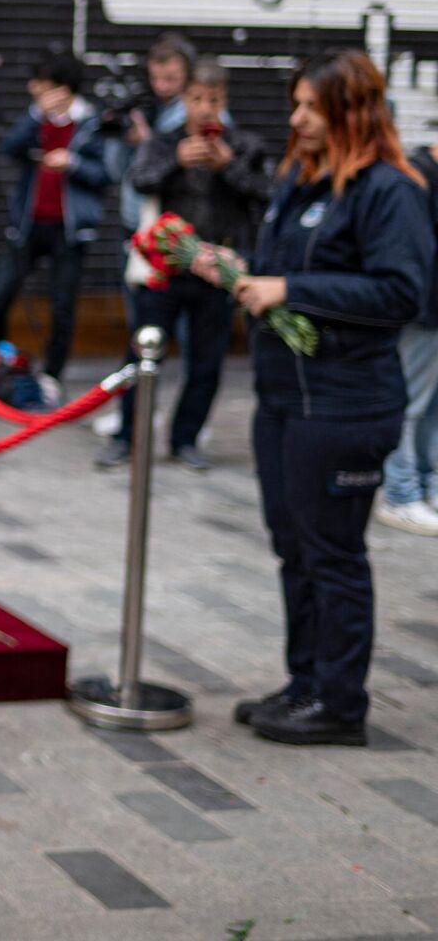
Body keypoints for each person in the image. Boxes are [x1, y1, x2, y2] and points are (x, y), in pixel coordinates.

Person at [218, 50, 433, 747]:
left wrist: (291, 290)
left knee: (334, 555)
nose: (297, 118)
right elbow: (285, 275)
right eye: (296, 104)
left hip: (344, 406)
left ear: (351, 110)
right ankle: (304, 683)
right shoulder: (300, 180)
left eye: (311, 106)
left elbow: (402, 293)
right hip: (284, 400)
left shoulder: (389, 190)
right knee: (295, 548)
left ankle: (341, 706)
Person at [99, 58, 268, 472]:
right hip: (165, 267)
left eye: (213, 99)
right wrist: (176, 159)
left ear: (224, 99)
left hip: (217, 270)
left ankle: (185, 439)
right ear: (184, 99)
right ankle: (126, 436)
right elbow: (139, 180)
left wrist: (228, 166)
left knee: (207, 362)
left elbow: (267, 194)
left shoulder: (245, 145)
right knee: (141, 353)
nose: (205, 108)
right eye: (196, 99)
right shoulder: (163, 141)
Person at [0, 53, 111, 401]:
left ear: (62, 88)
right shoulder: (34, 120)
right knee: (0, 295)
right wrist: (36, 115)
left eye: (41, 84)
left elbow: (105, 174)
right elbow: (9, 148)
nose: (33, 89)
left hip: (69, 230)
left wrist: (74, 163)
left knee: (62, 304)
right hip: (28, 224)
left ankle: (53, 374)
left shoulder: (91, 122)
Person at [374, 141, 438, 535]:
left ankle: (427, 485)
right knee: (410, 404)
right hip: (423, 310)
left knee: (431, 407)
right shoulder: (415, 175)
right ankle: (399, 493)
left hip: (432, 310)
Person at [110, 35, 197, 231]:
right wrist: (121, 139)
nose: (161, 86)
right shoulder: (145, 106)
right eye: (154, 78)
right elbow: (114, 171)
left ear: (188, 76)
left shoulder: (198, 112)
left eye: (170, 79)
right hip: (134, 218)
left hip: (175, 222)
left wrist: (148, 142)